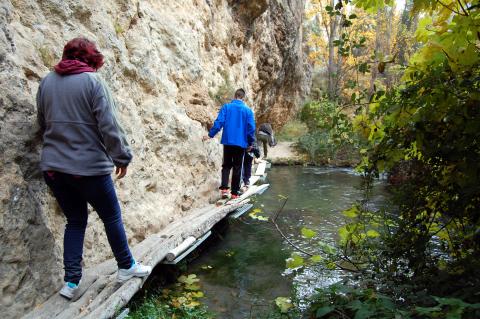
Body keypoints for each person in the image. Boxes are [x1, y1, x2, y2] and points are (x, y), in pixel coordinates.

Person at [36, 38, 152, 300]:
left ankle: (71, 284)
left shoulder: (46, 82)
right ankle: (126, 267)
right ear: (91, 59)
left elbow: (42, 123)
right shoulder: (93, 82)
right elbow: (109, 126)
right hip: (88, 168)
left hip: (54, 168)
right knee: (111, 216)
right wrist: (122, 157)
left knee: (75, 221)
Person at [203, 88, 256, 199]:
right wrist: (250, 142)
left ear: (234, 96)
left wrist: (210, 134)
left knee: (226, 165)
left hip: (227, 141)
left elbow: (219, 122)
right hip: (241, 143)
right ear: (243, 98)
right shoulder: (248, 111)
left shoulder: (226, 107)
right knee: (237, 167)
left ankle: (224, 190)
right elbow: (251, 128)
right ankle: (234, 193)